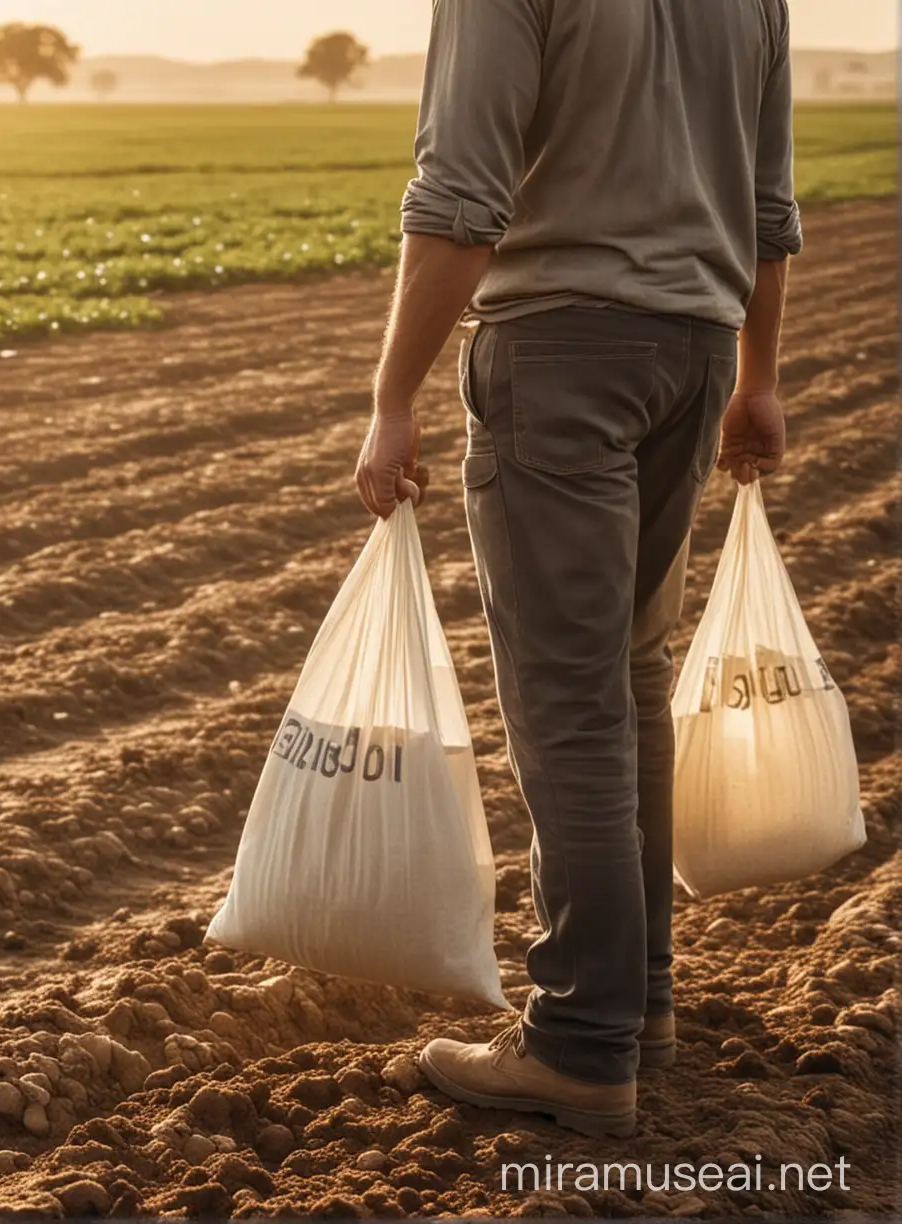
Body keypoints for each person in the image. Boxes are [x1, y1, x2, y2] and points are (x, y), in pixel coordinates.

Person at [353, 0, 798, 1138]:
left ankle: (579, 1045)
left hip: (559, 353)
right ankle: (638, 1010)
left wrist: (391, 399)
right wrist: (760, 377)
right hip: (694, 354)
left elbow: (460, 198)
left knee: (572, 704)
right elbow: (765, 206)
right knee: (631, 683)